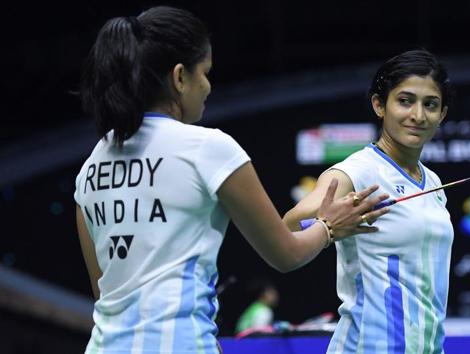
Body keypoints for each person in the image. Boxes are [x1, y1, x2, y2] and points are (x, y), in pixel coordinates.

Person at [74, 6, 390, 353]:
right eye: (205, 73)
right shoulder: (208, 148)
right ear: (180, 77)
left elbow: (105, 292)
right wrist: (328, 226)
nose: (208, 87)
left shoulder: (91, 165)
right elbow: (285, 253)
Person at [283, 49, 455, 354]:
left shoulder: (433, 182)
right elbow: (292, 224)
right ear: (379, 105)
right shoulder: (358, 171)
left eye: (430, 105)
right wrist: (327, 223)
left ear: (441, 114)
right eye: (405, 101)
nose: (418, 115)